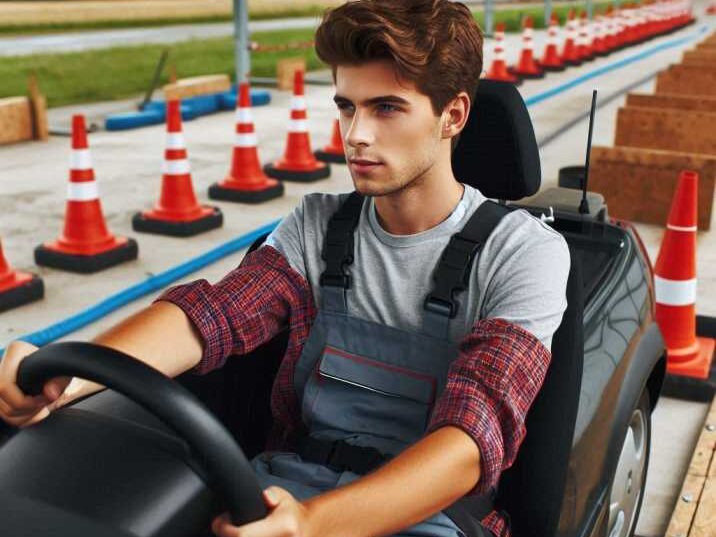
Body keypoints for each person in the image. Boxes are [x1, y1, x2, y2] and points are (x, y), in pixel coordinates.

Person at [0, 1, 570, 536]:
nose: (356, 135)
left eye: (387, 108)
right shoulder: (319, 224)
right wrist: (68, 378)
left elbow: (471, 437)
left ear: (453, 115)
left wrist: (314, 524)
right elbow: (213, 318)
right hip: (281, 492)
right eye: (347, 106)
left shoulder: (525, 252)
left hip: (432, 516)